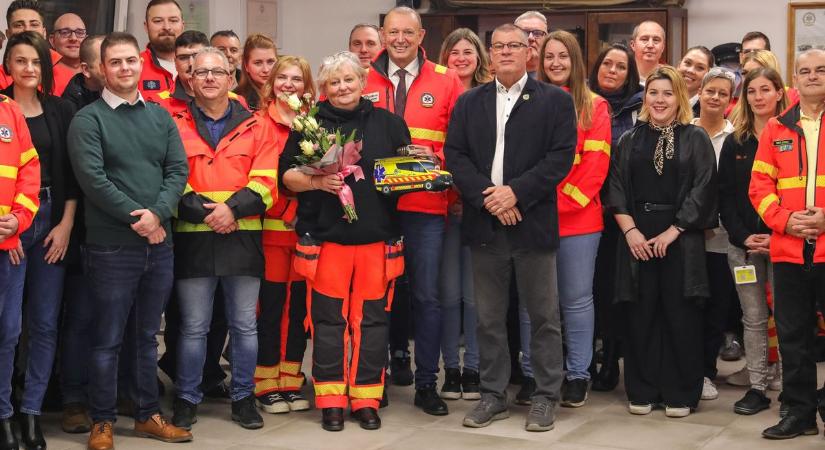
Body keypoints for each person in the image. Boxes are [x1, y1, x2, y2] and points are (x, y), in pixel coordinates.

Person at [445, 22, 576, 432]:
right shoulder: (470, 102)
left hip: (532, 221)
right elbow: (456, 155)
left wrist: (515, 194)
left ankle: (545, 396)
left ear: (528, 53)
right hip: (486, 223)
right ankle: (492, 395)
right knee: (488, 317)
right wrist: (490, 196)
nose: (505, 52)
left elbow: (560, 158)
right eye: (498, 46)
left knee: (543, 316)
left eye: (513, 46)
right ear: (490, 53)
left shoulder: (555, 101)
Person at [67, 32, 191, 449]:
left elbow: (177, 171)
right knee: (107, 338)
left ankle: (146, 415)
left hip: (160, 244)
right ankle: (102, 420)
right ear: (102, 69)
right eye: (114, 62)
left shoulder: (159, 116)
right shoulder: (87, 120)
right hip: (111, 247)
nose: (124, 68)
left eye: (130, 61)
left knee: (144, 337)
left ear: (140, 64)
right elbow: (94, 181)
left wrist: (157, 214)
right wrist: (140, 218)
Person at [280, 51, 410, 431]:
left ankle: (366, 398)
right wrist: (318, 181)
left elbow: (408, 173)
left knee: (371, 322)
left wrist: (423, 171)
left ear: (363, 82)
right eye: (334, 82)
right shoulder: (307, 125)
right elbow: (287, 177)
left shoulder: (390, 123)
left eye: (348, 80)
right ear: (324, 88)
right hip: (327, 241)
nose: (342, 88)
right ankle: (331, 399)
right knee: (327, 322)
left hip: (376, 240)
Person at [363, 5, 464, 416]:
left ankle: (426, 384)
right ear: (382, 36)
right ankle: (375, 380)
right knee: (376, 297)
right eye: (392, 32)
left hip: (425, 205)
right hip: (374, 207)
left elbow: (462, 143)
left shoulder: (447, 80)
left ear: (422, 36)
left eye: (409, 32)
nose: (400, 39)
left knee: (427, 297)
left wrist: (435, 154)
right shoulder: (360, 75)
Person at [169, 46, 277, 432]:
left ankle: (243, 397)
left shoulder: (257, 124)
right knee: (193, 326)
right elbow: (170, 179)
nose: (209, 78)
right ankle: (186, 398)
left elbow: (266, 182)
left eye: (217, 72)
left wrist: (231, 210)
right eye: (201, 73)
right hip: (194, 239)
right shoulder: (173, 122)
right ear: (190, 80)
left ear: (231, 79)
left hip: (243, 238)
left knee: (245, 325)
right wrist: (212, 214)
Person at [605, 65, 718, 419]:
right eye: (653, 92)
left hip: (680, 237)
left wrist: (674, 231)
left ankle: (680, 392)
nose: (659, 99)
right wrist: (631, 232)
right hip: (637, 235)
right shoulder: (629, 140)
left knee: (680, 314)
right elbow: (616, 189)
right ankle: (642, 388)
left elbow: (703, 189)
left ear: (679, 98)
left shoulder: (695, 137)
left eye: (667, 93)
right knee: (641, 313)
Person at [0, 30, 77, 450]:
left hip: (51, 220)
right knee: (8, 327)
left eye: (35, 62)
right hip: (10, 224)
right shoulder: (1, 110)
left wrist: (65, 224)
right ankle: (4, 413)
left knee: (46, 324)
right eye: (19, 61)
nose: (28, 69)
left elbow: (72, 175)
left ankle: (32, 413)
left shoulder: (61, 109)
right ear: (7, 66)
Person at [750, 48, 825, 440]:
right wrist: (786, 222)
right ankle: (799, 414)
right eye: (805, 71)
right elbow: (759, 187)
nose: (812, 76)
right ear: (794, 80)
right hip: (788, 251)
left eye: (820, 70)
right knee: (794, 337)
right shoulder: (776, 129)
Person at [535, 29, 611, 408]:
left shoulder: (594, 106)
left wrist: (550, 204)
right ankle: (535, 374)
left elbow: (594, 169)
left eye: (563, 56)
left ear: (576, 60)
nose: (556, 63)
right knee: (535, 304)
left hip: (578, 221)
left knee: (576, 301)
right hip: (532, 218)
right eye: (549, 56)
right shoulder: (529, 102)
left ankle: (578, 374)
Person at [719, 67, 787, 416]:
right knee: (754, 317)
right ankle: (758, 387)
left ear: (779, 92)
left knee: (789, 316)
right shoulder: (736, 141)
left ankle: (791, 388)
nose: (758, 97)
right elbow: (726, 197)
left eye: (765, 89)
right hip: (743, 246)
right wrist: (744, 236)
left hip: (785, 243)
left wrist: (776, 234)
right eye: (751, 91)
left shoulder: (792, 136)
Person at [253, 55, 315, 414]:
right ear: (271, 83)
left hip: (305, 235)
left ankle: (291, 381)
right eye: (283, 78)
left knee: (298, 309)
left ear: (306, 87)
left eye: (297, 79)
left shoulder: (312, 125)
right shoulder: (259, 124)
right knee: (271, 308)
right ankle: (265, 383)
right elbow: (260, 179)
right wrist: (288, 210)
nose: (289, 85)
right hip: (272, 232)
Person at [435, 27, 491, 401]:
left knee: (475, 296)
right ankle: (450, 370)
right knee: (448, 294)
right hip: (440, 207)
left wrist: (470, 194)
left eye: (467, 52)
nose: (460, 58)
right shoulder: (436, 89)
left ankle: (473, 367)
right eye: (453, 52)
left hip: (480, 205)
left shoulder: (489, 95)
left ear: (479, 58)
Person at [588, 42, 643, 392]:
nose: (612, 71)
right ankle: (586, 358)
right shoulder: (584, 101)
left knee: (614, 290)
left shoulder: (641, 107)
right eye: (607, 63)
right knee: (587, 290)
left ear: (630, 74)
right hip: (585, 209)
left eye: (620, 66)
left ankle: (611, 358)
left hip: (624, 215)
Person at [58, 33, 104, 436]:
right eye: (109, 61)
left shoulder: (140, 106)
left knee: (123, 319)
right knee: (82, 316)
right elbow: (79, 174)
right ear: (89, 69)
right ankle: (73, 399)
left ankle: (114, 393)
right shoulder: (70, 109)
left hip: (128, 230)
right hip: (84, 228)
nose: (121, 68)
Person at [690, 67, 737, 403]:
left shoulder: (736, 137)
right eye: (711, 91)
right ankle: (686, 368)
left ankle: (706, 372)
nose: (715, 97)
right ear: (700, 93)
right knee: (688, 306)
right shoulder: (683, 131)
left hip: (722, 240)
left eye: (723, 93)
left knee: (715, 309)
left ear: (729, 99)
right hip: (687, 236)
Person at [0, 60, 40, 450]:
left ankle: (3, 416)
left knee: (8, 335)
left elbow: (30, 170)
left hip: (7, 248)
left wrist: (18, 219)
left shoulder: (10, 110)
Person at [1, 1, 75, 95]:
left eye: (34, 25)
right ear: (8, 34)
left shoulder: (67, 76)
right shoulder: (1, 75)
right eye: (19, 25)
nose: (27, 30)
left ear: (44, 33)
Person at [138, 0, 185, 96]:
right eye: (158, 21)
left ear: (182, 26)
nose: (167, 27)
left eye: (173, 20)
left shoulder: (200, 65)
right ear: (146, 27)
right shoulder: (133, 67)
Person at [61, 34, 105, 110]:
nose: (117, 69)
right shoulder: (70, 105)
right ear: (86, 69)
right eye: (105, 63)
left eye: (115, 62)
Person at [235, 33, 277, 111]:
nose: (266, 70)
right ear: (246, 66)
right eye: (258, 63)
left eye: (270, 62)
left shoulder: (286, 94)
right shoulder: (236, 101)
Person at [677, 46, 714, 117]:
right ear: (679, 65)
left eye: (700, 67)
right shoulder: (660, 100)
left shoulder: (709, 111)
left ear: (708, 74)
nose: (691, 71)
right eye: (687, 63)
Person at [513, 11, 547, 78]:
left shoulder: (558, 78)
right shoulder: (500, 78)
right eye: (524, 33)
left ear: (546, 39)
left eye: (537, 33)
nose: (530, 38)